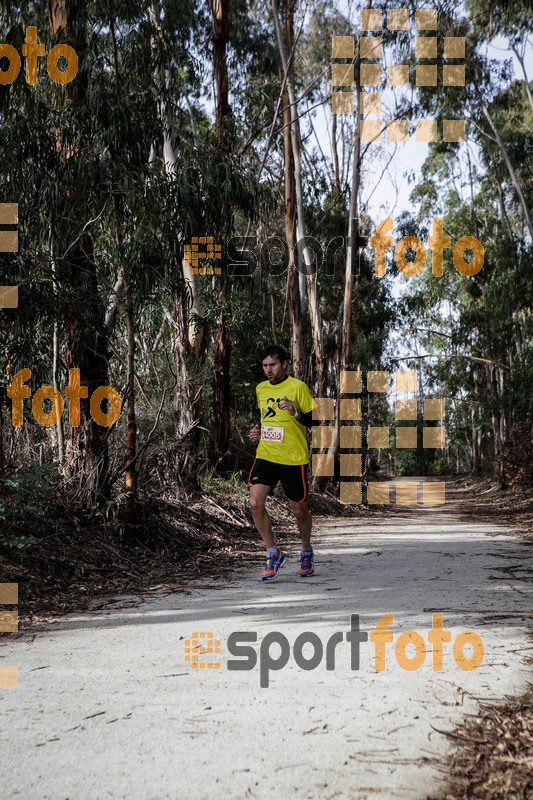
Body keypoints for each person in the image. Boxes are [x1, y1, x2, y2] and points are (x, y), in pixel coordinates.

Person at [248, 345, 315, 581]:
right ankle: (272, 552)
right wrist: (258, 431)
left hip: (293, 457)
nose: (268, 369)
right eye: (265, 365)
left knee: (298, 509)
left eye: (273, 365)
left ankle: (306, 550)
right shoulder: (260, 389)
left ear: (284, 364)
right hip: (266, 453)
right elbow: (266, 418)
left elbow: (314, 421)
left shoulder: (298, 387)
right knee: (255, 502)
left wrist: (295, 411)